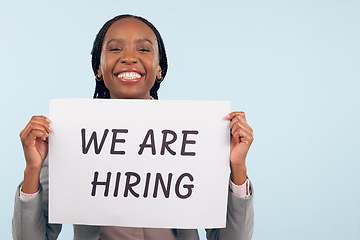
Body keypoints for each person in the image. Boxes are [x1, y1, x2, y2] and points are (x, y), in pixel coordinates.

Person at [13, 14, 254, 240]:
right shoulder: (68, 135)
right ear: (99, 67)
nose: (129, 57)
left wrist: (237, 168)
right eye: (116, 48)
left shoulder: (196, 135)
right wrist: (32, 169)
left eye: (144, 49)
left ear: (160, 69)